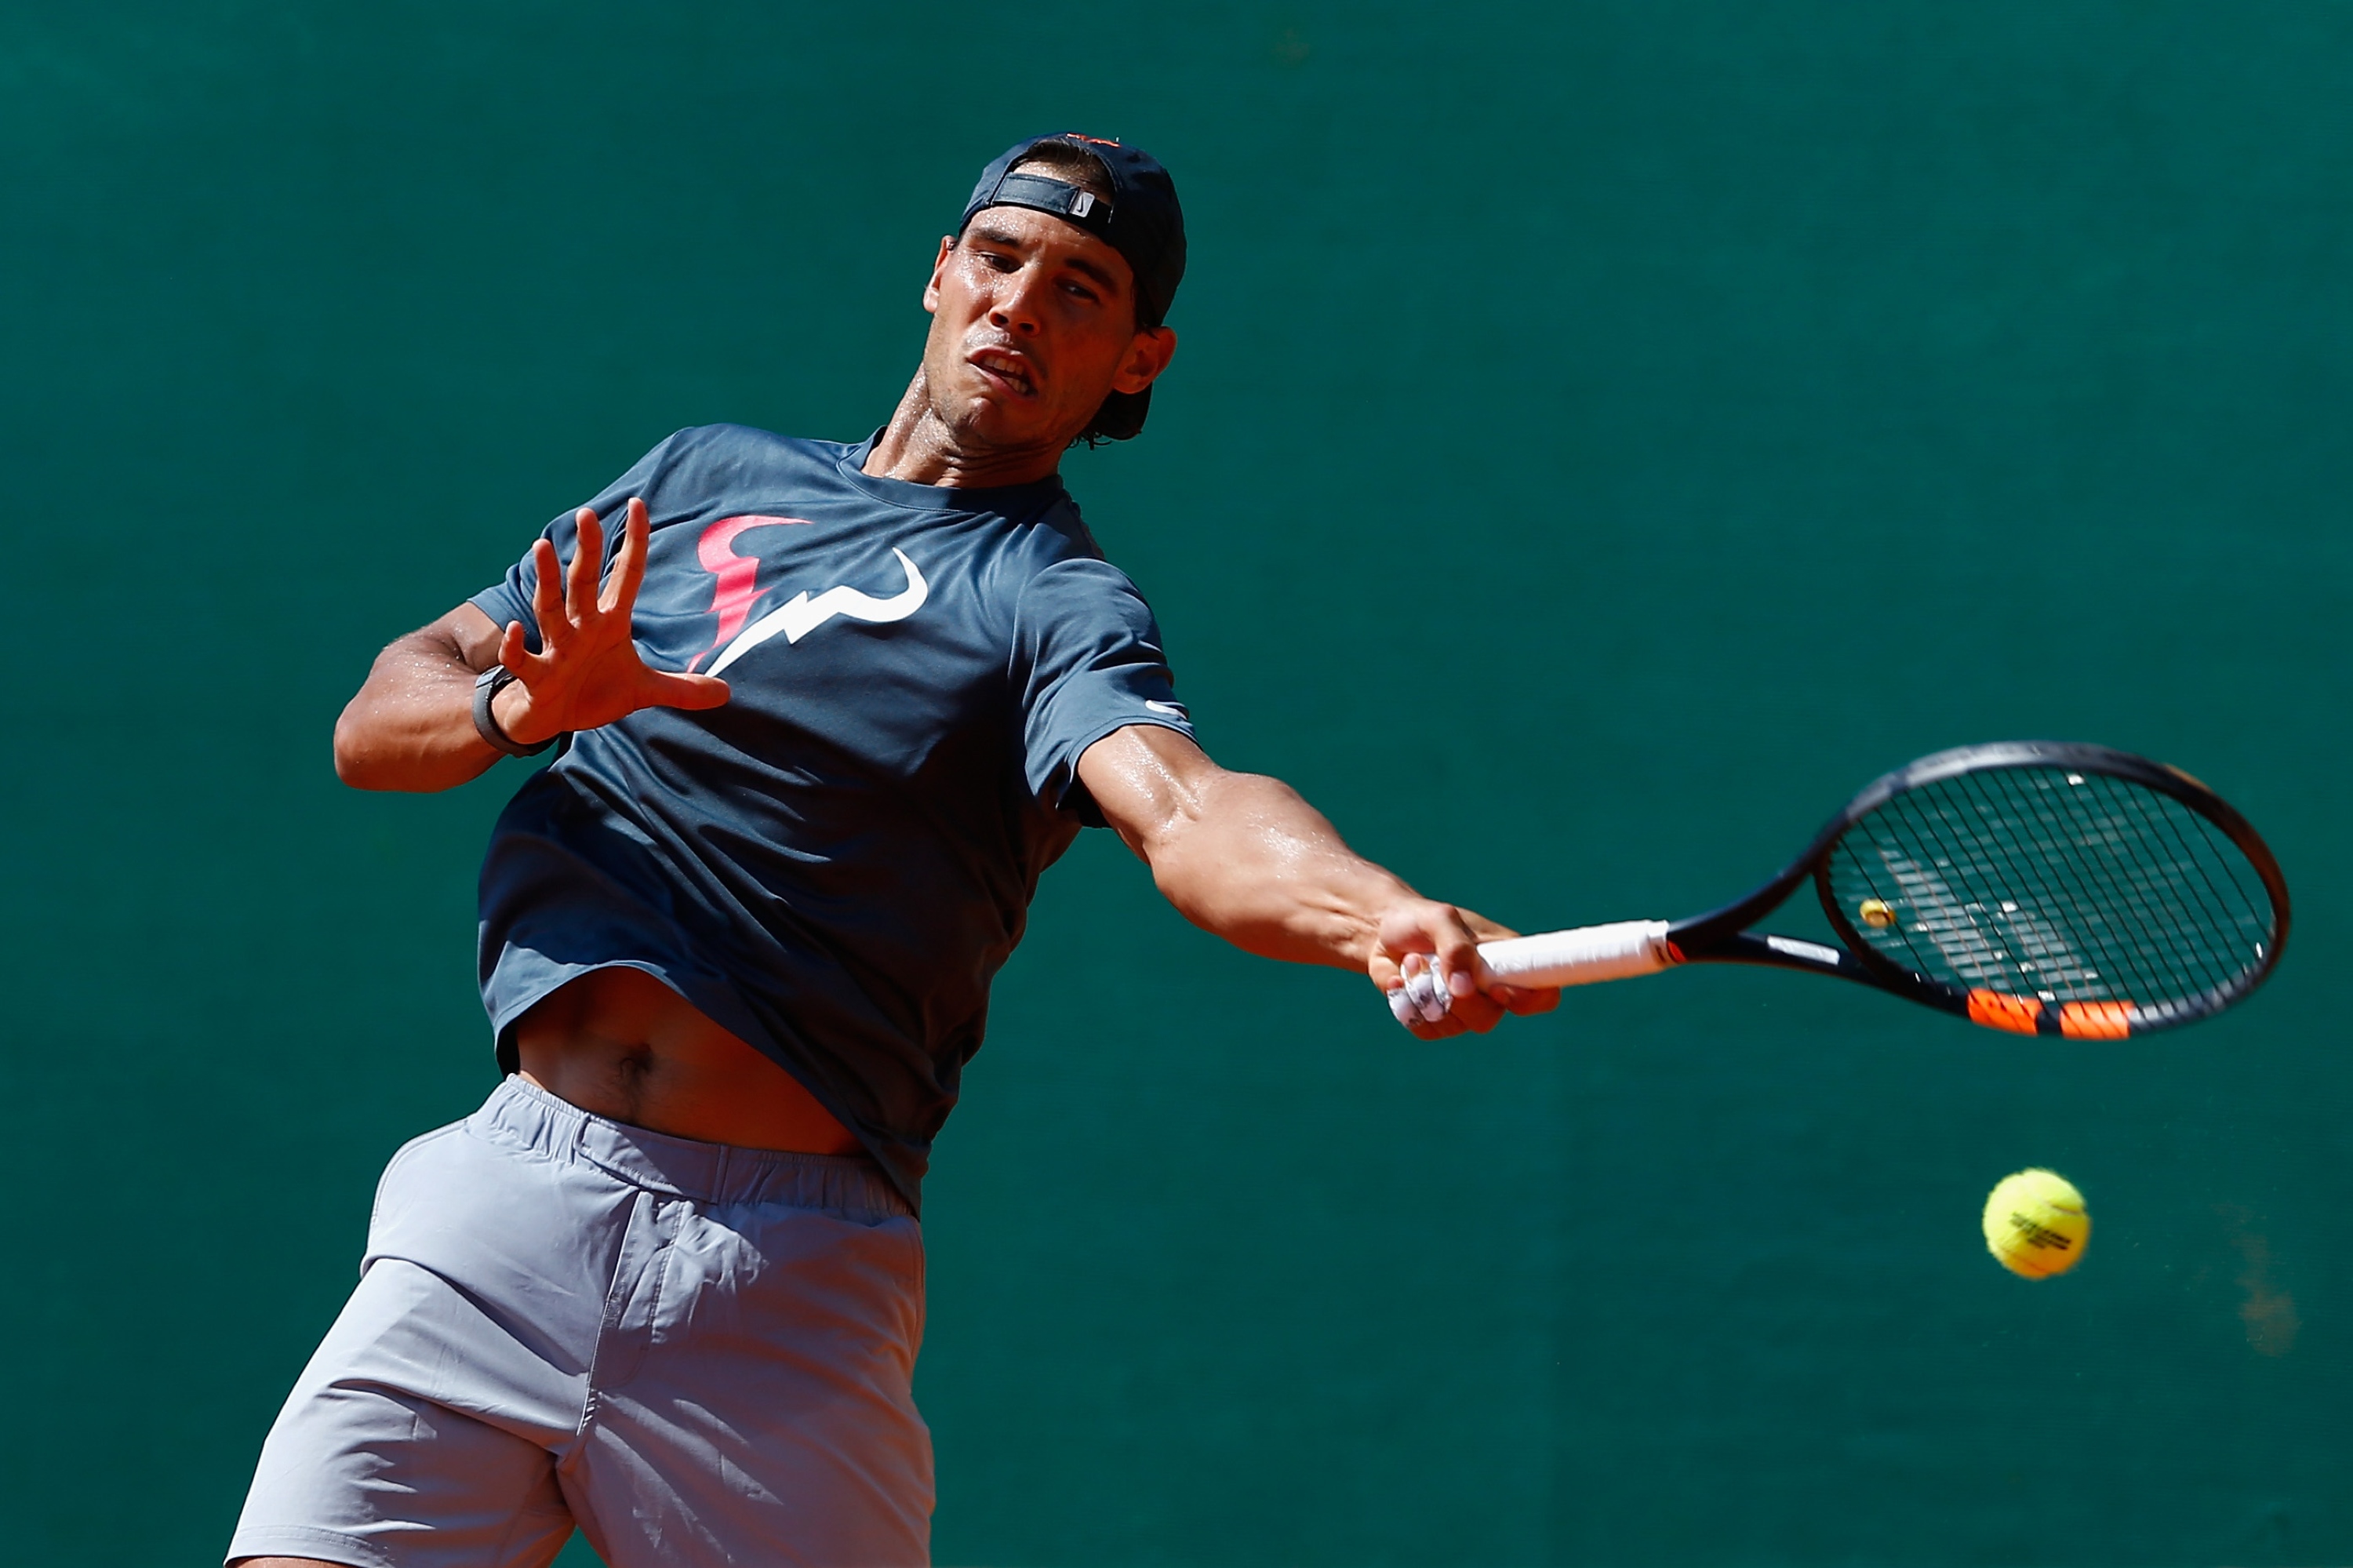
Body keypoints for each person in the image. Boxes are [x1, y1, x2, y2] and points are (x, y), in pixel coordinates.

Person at [228, 133, 1554, 1568]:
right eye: (1000, 258)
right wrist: (515, 703)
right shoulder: (700, 475)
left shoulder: (1055, 602)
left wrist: (1374, 911)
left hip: (777, 1282)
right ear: (940, 271)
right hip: (497, 1213)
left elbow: (1188, 807)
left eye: (1083, 290)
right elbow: (382, 718)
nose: (1022, 307)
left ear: (1137, 359)